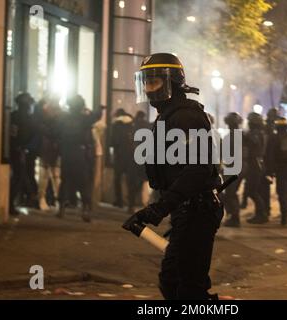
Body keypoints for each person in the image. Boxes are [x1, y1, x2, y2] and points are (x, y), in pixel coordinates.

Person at [123, 53, 223, 300]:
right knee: (173, 282)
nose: (148, 89)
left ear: (173, 82)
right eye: (145, 82)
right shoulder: (168, 115)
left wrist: (159, 208)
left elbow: (197, 168)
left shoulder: (186, 116)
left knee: (187, 288)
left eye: (154, 82)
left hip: (197, 210)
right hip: (185, 210)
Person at [57, 95, 104, 222]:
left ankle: (61, 208)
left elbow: (55, 132)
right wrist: (100, 108)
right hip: (80, 153)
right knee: (84, 183)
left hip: (66, 152)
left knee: (65, 181)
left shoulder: (64, 118)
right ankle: (85, 210)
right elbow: (97, 116)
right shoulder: (84, 118)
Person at [9, 93, 37, 215]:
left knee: (18, 176)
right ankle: (11, 203)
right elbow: (29, 135)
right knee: (18, 177)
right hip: (20, 150)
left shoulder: (13, 116)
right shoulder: (27, 118)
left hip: (14, 149)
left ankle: (15, 201)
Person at [242, 112, 268, 224]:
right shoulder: (259, 132)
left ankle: (262, 214)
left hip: (255, 165)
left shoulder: (256, 133)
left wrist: (245, 136)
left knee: (252, 191)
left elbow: (254, 142)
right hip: (255, 164)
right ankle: (260, 214)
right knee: (253, 190)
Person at [36, 97, 61, 211]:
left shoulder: (43, 114)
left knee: (44, 175)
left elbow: (41, 128)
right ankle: (58, 200)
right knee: (56, 176)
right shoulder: (60, 115)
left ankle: (42, 199)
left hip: (46, 147)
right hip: (55, 148)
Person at [110, 108, 135, 210]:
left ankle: (119, 201)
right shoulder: (132, 124)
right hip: (131, 156)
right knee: (130, 181)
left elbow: (112, 141)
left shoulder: (116, 125)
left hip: (119, 155)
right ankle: (131, 204)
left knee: (117, 179)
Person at [223, 112, 243, 227]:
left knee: (230, 194)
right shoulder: (242, 136)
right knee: (232, 193)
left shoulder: (230, 137)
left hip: (231, 169)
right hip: (241, 168)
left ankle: (234, 217)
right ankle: (234, 216)